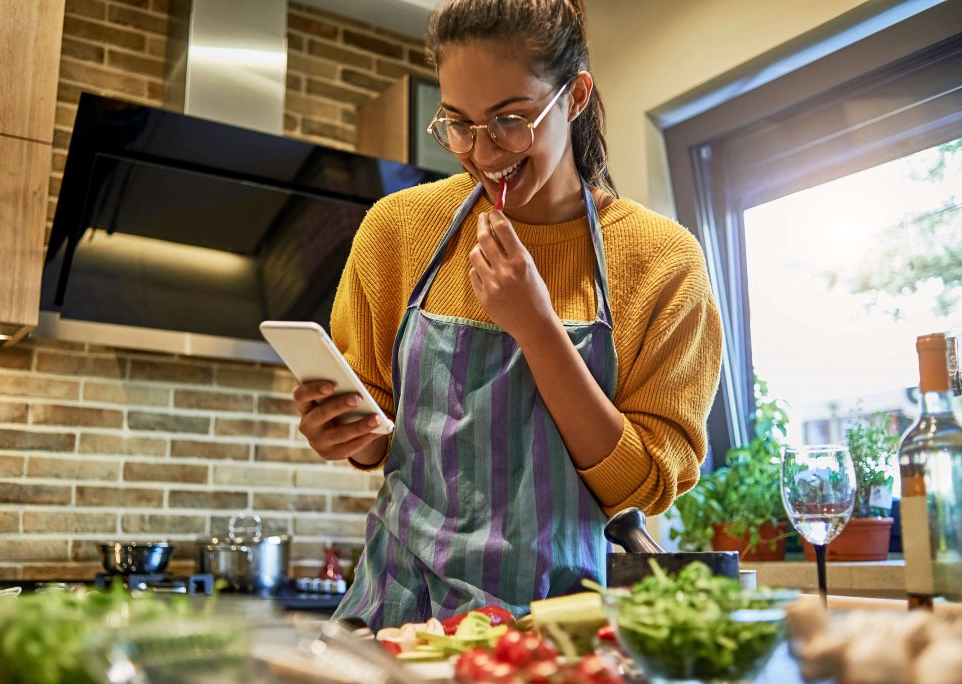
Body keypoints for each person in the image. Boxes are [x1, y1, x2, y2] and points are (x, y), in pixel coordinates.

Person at [292, 0, 722, 630]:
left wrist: (539, 328)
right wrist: (348, 435)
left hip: (557, 627)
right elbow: (388, 437)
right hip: (396, 616)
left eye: (509, 120)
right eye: (459, 124)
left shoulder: (661, 259)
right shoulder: (397, 231)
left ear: (574, 97)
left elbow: (639, 486)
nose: (482, 151)